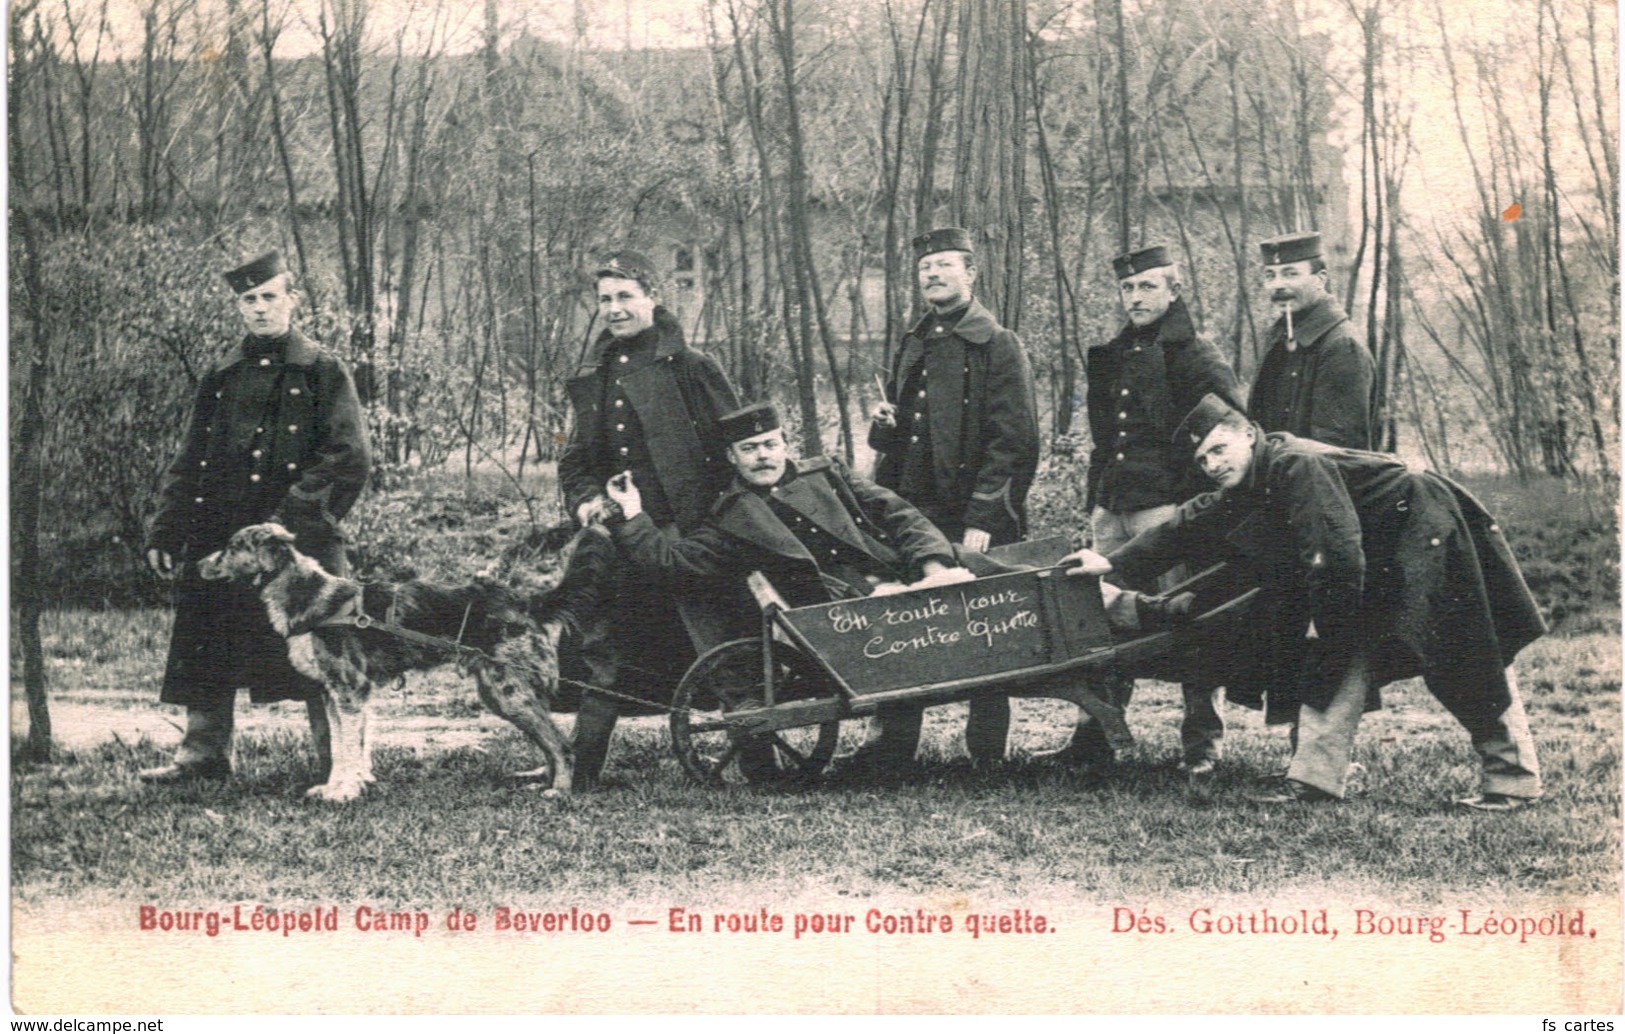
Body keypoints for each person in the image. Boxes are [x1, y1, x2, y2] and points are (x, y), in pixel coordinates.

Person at [1066, 394, 1544, 810]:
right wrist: (1112, 565)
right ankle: (1314, 780)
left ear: (1249, 435)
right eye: (1202, 461)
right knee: (1337, 655)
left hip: (1429, 530)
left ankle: (1513, 781)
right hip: (1376, 548)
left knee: (1462, 652)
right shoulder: (1250, 478)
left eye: (1219, 449)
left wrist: (1325, 622)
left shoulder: (1296, 465)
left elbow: (1333, 554)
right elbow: (1189, 524)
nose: (1213, 464)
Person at [141, 250, 371, 784]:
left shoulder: (322, 370)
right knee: (204, 640)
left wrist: (291, 519)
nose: (261, 308)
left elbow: (350, 457)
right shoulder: (221, 376)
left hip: (299, 540)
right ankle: (202, 755)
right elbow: (190, 458)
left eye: (270, 296)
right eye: (249, 299)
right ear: (238, 306)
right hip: (223, 535)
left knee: (323, 641)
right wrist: (168, 527)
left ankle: (337, 763)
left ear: (292, 299)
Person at [1047, 244, 1243, 777]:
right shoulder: (1112, 354)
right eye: (1128, 288)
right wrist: (1096, 500)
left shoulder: (1197, 355)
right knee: (1100, 620)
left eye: (1148, 286)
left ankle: (1201, 742)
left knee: (1188, 619)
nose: (1136, 297)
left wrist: (1191, 504)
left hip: (1168, 513)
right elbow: (1105, 438)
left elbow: (1233, 433)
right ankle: (1098, 734)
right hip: (1112, 510)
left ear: (1173, 291)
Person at [558, 249, 740, 787]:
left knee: (715, 643)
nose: (615, 309)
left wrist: (714, 526)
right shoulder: (594, 375)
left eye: (625, 297)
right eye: (605, 300)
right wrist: (586, 500)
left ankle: (758, 759)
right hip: (618, 539)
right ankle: (580, 770)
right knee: (602, 651)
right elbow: (575, 461)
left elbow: (737, 448)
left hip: (686, 537)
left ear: (652, 298)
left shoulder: (693, 367)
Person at [864, 226, 1041, 766]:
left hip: (975, 514)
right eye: (925, 268)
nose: (934, 275)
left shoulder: (998, 345)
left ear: (970, 273)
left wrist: (986, 513)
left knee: (987, 625)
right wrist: (882, 427)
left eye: (945, 265)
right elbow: (901, 432)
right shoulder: (913, 341)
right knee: (903, 622)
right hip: (913, 510)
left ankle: (986, 748)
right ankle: (891, 747)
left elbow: (1015, 440)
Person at [1247, 231, 1376, 450]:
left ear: (1320, 279)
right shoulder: (1278, 337)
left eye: (1290, 274)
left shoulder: (1341, 346)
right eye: (1270, 275)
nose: (1278, 285)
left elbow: (1338, 451)